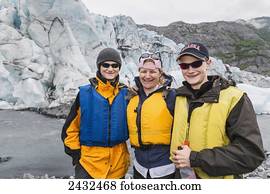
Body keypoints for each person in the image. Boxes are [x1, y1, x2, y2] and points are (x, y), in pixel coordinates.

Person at [170, 42, 265, 179]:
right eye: (184, 66)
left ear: (208, 63)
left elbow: (251, 154)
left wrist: (194, 158)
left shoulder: (234, 98)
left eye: (196, 64)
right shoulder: (180, 98)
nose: (190, 70)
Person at [61, 48, 130, 179]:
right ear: (99, 66)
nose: (110, 69)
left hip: (117, 164)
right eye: (106, 65)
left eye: (115, 65)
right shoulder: (84, 94)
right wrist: (76, 153)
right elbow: (71, 128)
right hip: (89, 164)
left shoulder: (125, 94)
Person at [127, 52, 177, 178]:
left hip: (165, 169)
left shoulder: (171, 96)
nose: (147, 76)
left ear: (160, 73)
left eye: (152, 72)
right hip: (139, 167)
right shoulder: (132, 97)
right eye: (143, 71)